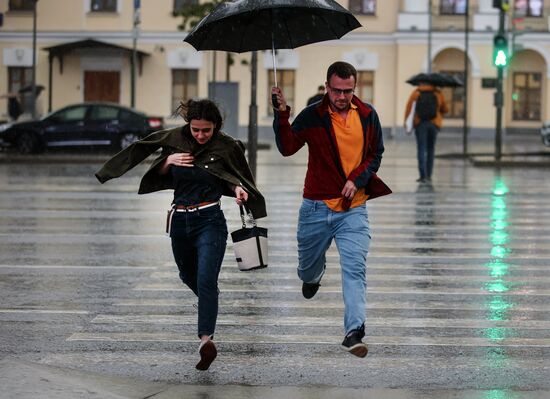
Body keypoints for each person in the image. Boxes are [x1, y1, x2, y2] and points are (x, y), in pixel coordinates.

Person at [95, 99, 266, 371]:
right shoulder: (174, 140)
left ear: (216, 127)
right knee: (188, 276)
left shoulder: (227, 146)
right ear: (189, 125)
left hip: (210, 220)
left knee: (206, 279)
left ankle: (205, 340)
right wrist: (168, 161)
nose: (200, 135)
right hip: (179, 221)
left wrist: (239, 191)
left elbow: (233, 176)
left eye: (206, 131)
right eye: (196, 130)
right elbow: (150, 162)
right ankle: (209, 298)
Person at [271, 61, 391, 358]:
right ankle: (312, 277)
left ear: (354, 88)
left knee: (355, 268)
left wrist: (357, 178)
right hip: (315, 207)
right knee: (307, 268)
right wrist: (281, 114)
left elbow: (376, 153)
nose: (341, 96)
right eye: (336, 90)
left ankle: (354, 332)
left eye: (347, 91)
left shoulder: (366, 114)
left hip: (353, 209)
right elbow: (287, 147)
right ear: (327, 87)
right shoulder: (313, 115)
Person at [403, 82, 448, 183]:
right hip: (434, 124)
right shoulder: (438, 93)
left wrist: (406, 122)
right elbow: (445, 109)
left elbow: (408, 108)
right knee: (431, 149)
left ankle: (422, 176)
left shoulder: (416, 93)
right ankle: (429, 175)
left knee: (421, 149)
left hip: (420, 124)